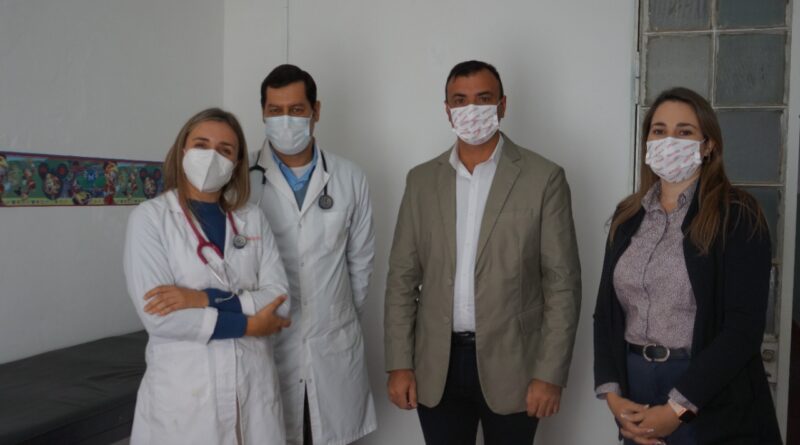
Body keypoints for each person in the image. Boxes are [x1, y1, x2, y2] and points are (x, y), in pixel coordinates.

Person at [384, 60, 582, 444]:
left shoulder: (544, 178)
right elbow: (402, 280)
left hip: (516, 365)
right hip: (436, 365)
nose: (471, 109)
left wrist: (550, 373)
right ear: (447, 110)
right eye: (460, 100)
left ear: (502, 105)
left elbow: (562, 285)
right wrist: (399, 363)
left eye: (483, 98)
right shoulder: (421, 181)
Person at [593, 87, 783, 444]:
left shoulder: (737, 214)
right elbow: (605, 314)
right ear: (647, 141)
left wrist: (677, 410)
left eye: (684, 132)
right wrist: (614, 396)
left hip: (708, 390)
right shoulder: (627, 216)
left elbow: (743, 328)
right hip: (635, 385)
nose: (669, 141)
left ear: (707, 145)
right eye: (659, 130)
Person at [124, 108, 291, 444]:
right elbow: (160, 318)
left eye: (225, 150)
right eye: (202, 145)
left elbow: (280, 301)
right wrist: (249, 326)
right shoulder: (150, 219)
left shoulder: (252, 219)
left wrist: (201, 299)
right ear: (183, 149)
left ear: (236, 163)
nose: (212, 157)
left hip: (252, 387)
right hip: (186, 400)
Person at [249, 64, 376, 445]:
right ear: (263, 112)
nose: (285, 120)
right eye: (275, 111)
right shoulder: (242, 178)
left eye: (296, 110)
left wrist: (334, 316)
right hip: (267, 346)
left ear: (315, 111)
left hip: (332, 346)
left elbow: (360, 265)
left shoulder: (350, 177)